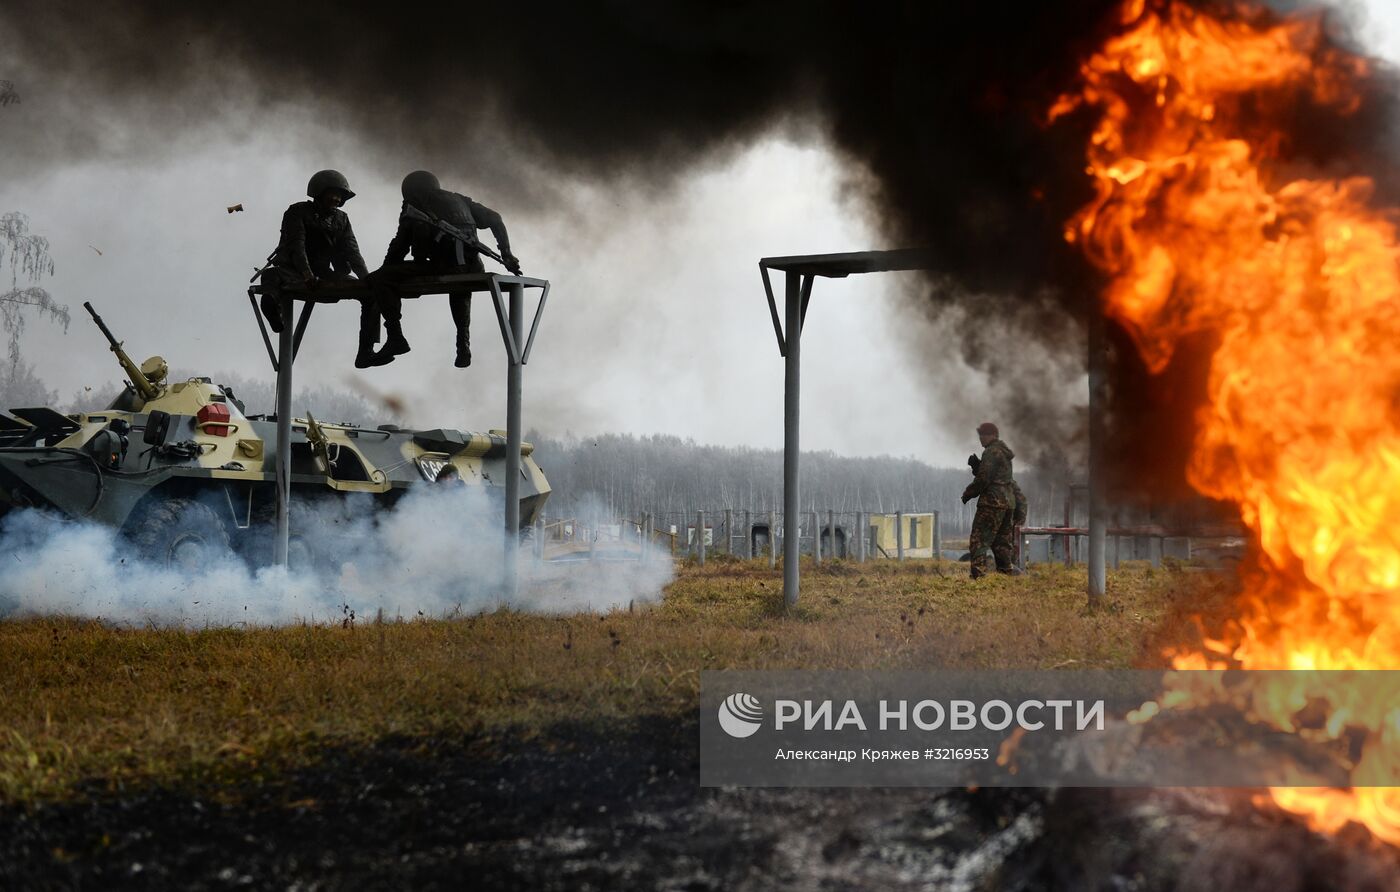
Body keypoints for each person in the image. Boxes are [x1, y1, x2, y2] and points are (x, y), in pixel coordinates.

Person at [365, 170, 522, 368]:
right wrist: (506, 253)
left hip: (442, 267)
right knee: (460, 287)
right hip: (473, 267)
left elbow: (400, 245)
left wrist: (384, 270)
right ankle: (463, 343)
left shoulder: (414, 203)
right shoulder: (459, 199)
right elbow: (495, 218)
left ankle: (395, 337)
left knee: (382, 279)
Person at [258, 170, 379, 367]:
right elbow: (297, 245)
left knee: (372, 294)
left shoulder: (342, 219)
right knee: (272, 277)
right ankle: (272, 309)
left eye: (340, 196)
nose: (336, 199)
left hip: (323, 273)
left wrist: (366, 279)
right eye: (332, 194)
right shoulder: (297, 212)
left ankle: (367, 350)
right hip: (294, 269)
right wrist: (306, 274)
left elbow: (352, 251)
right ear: (318, 193)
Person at [961, 422, 1016, 579]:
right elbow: (997, 476)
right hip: (1008, 503)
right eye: (980, 436)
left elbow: (984, 480)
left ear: (992, 435)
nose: (981, 439)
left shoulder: (992, 452)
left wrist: (968, 493)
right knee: (1001, 543)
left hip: (992, 502)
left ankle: (979, 577)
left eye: (983, 435)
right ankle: (1006, 576)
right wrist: (978, 467)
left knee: (978, 540)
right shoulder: (1004, 453)